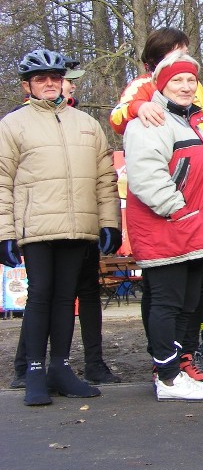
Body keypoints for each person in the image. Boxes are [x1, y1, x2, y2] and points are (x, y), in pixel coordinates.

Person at [0, 49, 121, 405]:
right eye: (41, 79)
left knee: (67, 298)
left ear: (64, 82)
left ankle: (61, 367)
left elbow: (104, 178)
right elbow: (2, 180)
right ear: (28, 86)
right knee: (40, 296)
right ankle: (34, 370)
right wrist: (5, 232)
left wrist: (109, 222)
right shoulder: (12, 124)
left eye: (55, 77)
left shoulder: (86, 123)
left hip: (78, 226)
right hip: (36, 226)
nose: (50, 83)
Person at [109, 28, 203, 381]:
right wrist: (178, 209)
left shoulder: (192, 101)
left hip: (197, 223)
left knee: (190, 301)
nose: (185, 80)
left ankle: (182, 361)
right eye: (173, 56)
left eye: (185, 56)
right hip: (170, 221)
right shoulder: (144, 94)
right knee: (165, 300)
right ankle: (166, 369)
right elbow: (121, 122)